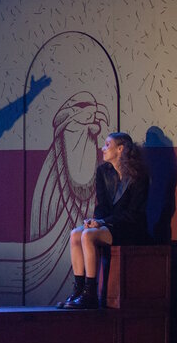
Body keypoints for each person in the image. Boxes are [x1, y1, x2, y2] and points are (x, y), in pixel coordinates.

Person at [60, 132, 149, 309]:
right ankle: (79, 289)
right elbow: (102, 204)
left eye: (108, 145)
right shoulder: (103, 171)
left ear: (120, 149)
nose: (103, 148)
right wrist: (95, 220)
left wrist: (102, 222)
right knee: (76, 234)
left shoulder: (139, 176)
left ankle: (90, 293)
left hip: (130, 227)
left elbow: (133, 214)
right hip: (109, 224)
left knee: (88, 236)